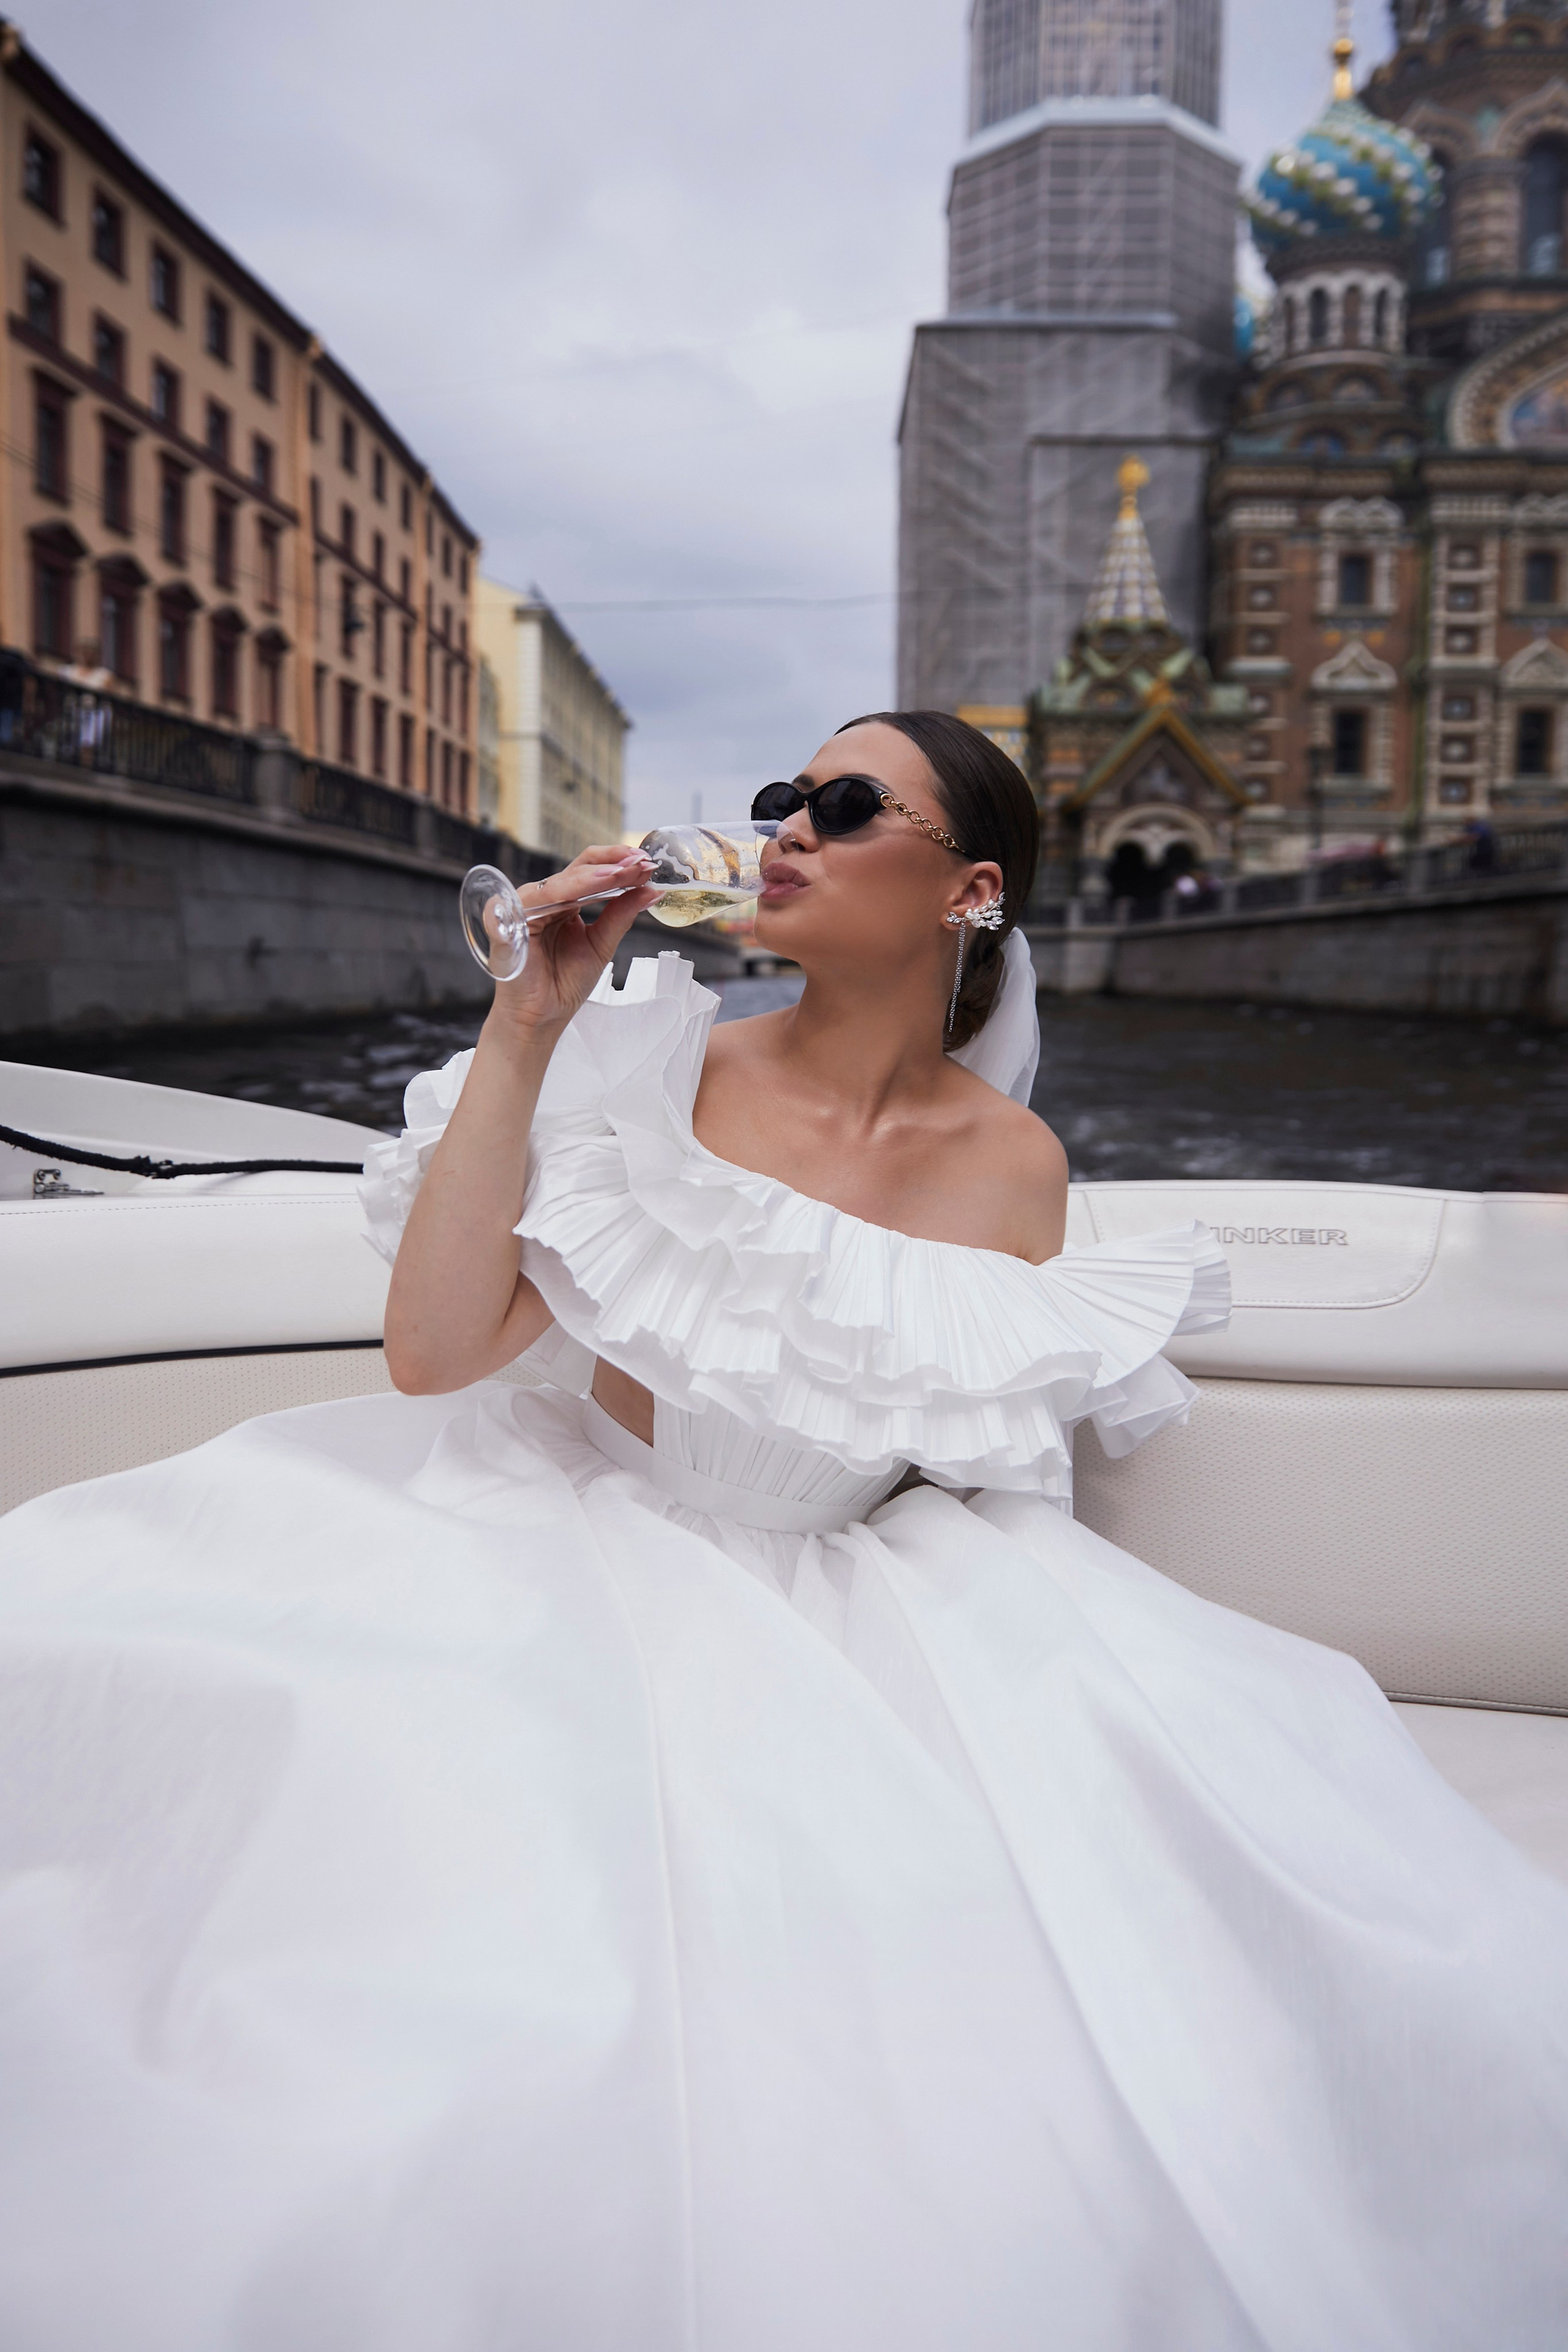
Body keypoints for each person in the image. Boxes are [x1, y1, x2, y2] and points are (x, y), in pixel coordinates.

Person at [0, 711, 1564, 2351]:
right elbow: (435, 1355)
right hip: (552, 1542)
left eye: (842, 803)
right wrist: (529, 1026)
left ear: (968, 892)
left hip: (843, 1595)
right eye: (780, 800)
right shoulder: (646, 1056)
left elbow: (975, 1458)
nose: (789, 829)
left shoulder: (1019, 1168)